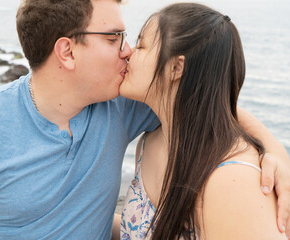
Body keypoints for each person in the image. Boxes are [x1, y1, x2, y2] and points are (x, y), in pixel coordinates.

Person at [0, 0, 288, 239]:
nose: (127, 49)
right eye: (114, 36)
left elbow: (204, 104)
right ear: (67, 51)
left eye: (130, 38)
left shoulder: (122, 103)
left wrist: (276, 152)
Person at [116, 2, 290, 239]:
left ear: (176, 68)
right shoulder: (149, 144)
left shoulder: (233, 181)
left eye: (141, 45)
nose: (128, 52)